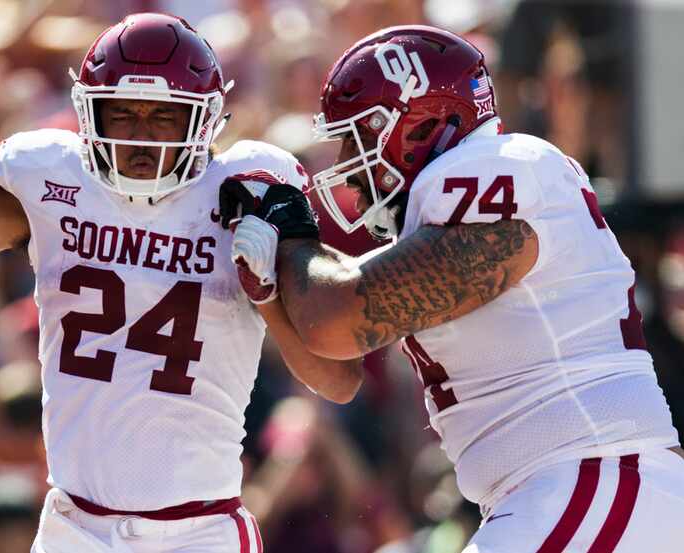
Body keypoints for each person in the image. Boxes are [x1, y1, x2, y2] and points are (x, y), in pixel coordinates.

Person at [0, 12, 362, 553]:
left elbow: (338, 380)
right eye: (123, 114)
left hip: (198, 531)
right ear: (88, 110)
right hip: (73, 526)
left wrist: (267, 295)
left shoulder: (248, 191)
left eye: (164, 117)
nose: (141, 136)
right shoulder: (53, 179)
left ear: (205, 121)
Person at [228, 25, 684, 552]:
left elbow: (336, 316)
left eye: (359, 140)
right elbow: (338, 375)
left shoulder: (493, 167)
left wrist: (289, 231)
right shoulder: (463, 198)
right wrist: (266, 290)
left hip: (591, 477)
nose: (350, 176)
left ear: (421, 128)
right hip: (568, 489)